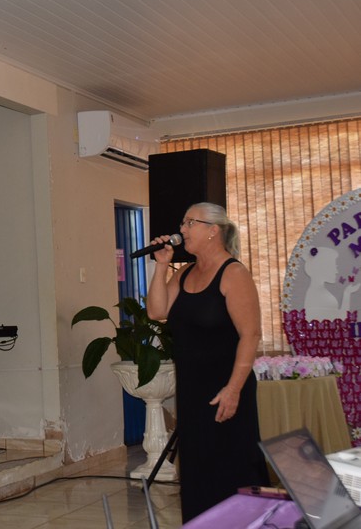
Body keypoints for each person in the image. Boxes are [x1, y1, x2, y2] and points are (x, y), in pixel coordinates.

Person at [146, 202, 269, 522]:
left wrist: (233, 389)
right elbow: (157, 311)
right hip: (192, 389)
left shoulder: (234, 273)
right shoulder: (185, 272)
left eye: (190, 223)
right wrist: (161, 266)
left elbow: (251, 335)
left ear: (213, 231)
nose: (182, 229)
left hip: (226, 389)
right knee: (198, 469)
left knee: (232, 467)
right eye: (183, 223)